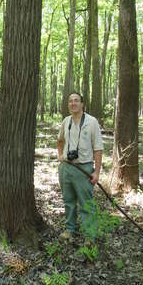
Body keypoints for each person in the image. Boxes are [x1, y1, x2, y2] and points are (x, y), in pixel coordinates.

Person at [57, 92, 103, 241]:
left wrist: (96, 172)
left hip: (84, 169)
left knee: (86, 203)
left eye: (76, 100)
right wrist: (60, 157)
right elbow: (60, 140)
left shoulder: (91, 122)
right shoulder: (66, 121)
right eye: (70, 101)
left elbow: (98, 148)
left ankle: (90, 235)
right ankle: (70, 229)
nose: (73, 103)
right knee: (68, 201)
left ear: (82, 104)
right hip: (66, 167)